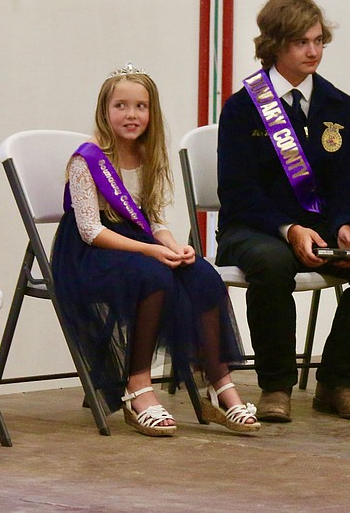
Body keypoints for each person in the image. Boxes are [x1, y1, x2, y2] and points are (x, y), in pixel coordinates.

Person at [216, 0, 350, 422]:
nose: (314, 51)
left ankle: (338, 382)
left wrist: (347, 226)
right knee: (272, 263)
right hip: (255, 229)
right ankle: (275, 386)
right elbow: (238, 191)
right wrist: (288, 228)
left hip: (325, 230)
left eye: (319, 40)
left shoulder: (340, 106)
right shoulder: (244, 108)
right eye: (302, 42)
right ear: (275, 44)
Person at [50, 65, 259, 437]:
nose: (132, 115)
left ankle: (218, 383)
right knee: (155, 276)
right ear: (105, 109)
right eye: (121, 105)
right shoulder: (87, 159)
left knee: (203, 276)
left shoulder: (147, 156)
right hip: (90, 252)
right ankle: (138, 386)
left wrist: (173, 245)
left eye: (141, 106)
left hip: (136, 242)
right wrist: (150, 252)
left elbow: (153, 218)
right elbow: (89, 229)